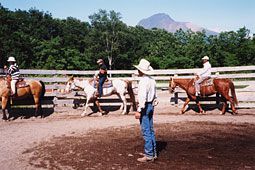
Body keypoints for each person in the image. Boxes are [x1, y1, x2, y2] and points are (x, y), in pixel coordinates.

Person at [134, 58, 158, 162]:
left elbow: (142, 97)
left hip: (144, 107)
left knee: (146, 130)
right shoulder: (152, 80)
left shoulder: (143, 82)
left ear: (140, 71)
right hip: (151, 105)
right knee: (150, 129)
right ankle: (153, 152)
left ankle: (148, 155)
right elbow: (155, 96)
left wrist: (139, 110)